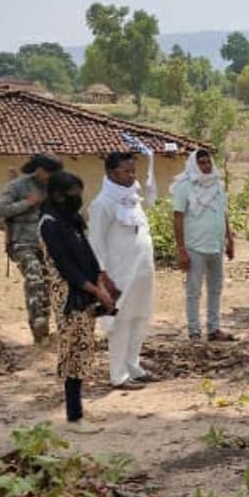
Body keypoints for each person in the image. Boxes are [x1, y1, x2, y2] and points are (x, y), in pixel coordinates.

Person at [39, 171, 116, 434]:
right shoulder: (49, 223)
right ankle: (74, 416)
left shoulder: (71, 220)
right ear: (58, 194)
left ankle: (79, 409)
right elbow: (66, 266)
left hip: (85, 293)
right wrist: (96, 291)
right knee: (73, 352)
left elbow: (87, 254)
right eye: (73, 193)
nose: (78, 198)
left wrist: (99, 281)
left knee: (83, 350)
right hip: (69, 296)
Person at [88, 151, 156, 390]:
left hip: (141, 272)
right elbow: (95, 243)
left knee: (139, 318)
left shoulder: (133, 199)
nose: (131, 176)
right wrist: (102, 275)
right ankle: (118, 375)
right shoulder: (102, 204)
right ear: (110, 173)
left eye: (133, 171)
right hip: (118, 274)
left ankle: (133, 367)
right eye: (125, 171)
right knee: (119, 323)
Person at [0, 153, 63, 343]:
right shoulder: (17, 186)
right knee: (35, 276)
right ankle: (38, 323)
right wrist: (28, 203)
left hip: (49, 243)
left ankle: (44, 326)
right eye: (49, 172)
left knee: (49, 283)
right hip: (22, 241)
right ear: (39, 169)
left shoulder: (55, 187)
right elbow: (0, 209)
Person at [172, 149, 234, 341]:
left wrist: (229, 239)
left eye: (208, 162)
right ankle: (194, 331)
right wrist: (181, 249)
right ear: (194, 164)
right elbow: (178, 217)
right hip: (194, 246)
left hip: (216, 245)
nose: (206, 166)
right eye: (202, 163)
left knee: (215, 288)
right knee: (194, 290)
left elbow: (223, 213)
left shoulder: (217, 185)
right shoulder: (185, 186)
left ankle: (214, 329)